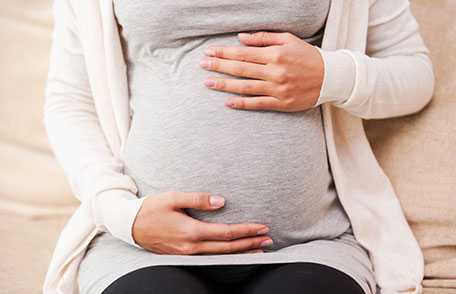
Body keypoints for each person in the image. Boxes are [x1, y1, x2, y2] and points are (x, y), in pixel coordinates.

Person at [42, 0, 435, 294]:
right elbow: (69, 101)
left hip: (312, 246)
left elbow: (414, 74)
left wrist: (332, 76)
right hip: (143, 251)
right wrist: (120, 213)